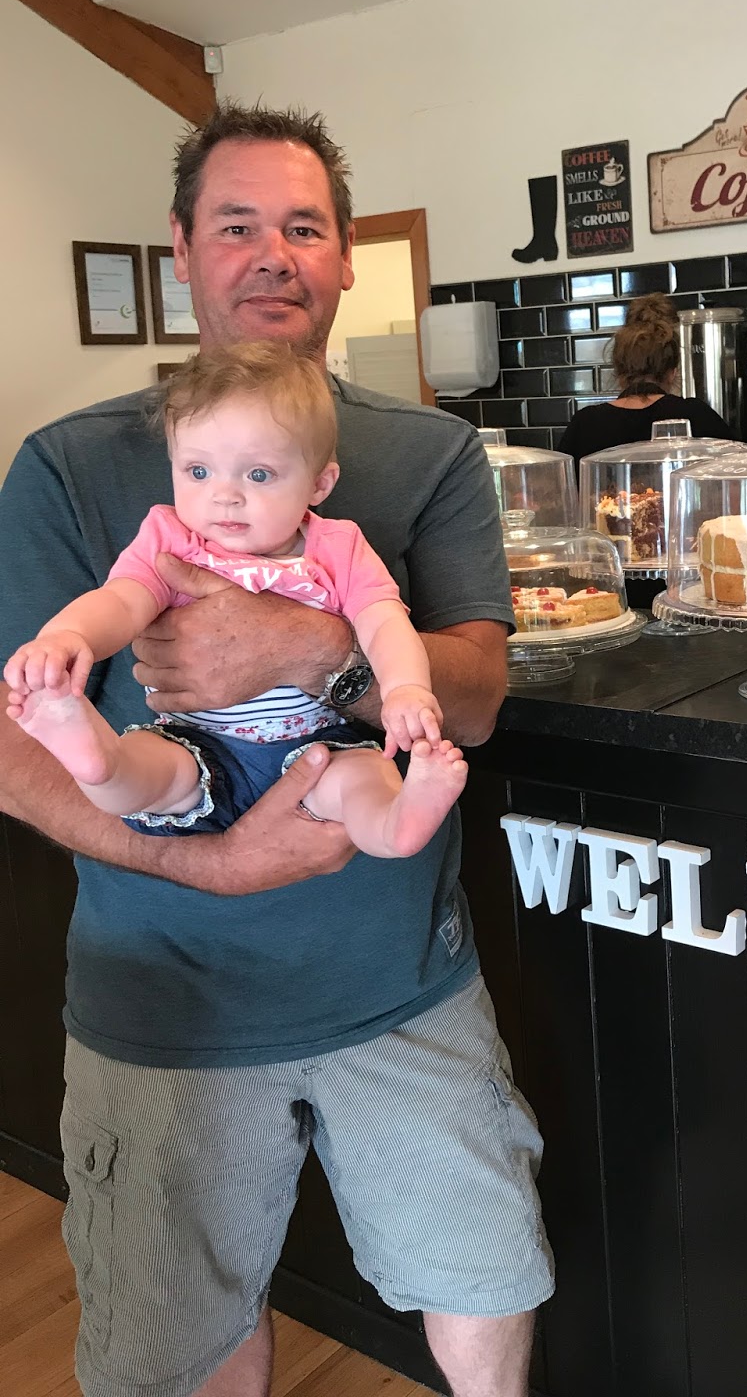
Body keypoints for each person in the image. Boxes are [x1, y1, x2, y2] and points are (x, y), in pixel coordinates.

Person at [0, 103, 553, 1397]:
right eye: (236, 224)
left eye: (303, 227)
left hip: (403, 985)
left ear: (345, 255)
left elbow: (476, 697)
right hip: (162, 1006)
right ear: (182, 249)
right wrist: (209, 864)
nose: (271, 254)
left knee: (484, 1273)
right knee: (180, 1340)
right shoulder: (72, 469)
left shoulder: (427, 455)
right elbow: (10, 737)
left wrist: (310, 653)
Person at [5, 342, 467, 859]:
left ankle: (396, 824)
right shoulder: (173, 540)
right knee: (146, 773)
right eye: (198, 472)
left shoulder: (337, 548)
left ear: (319, 483)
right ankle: (96, 761)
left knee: (364, 777)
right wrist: (69, 637)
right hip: (196, 742)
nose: (224, 494)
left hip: (318, 744)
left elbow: (383, 623)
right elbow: (121, 601)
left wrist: (405, 689)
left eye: (258, 474)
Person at [556, 290, 735, 470]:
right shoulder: (697, 415)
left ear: (618, 371)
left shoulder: (586, 424)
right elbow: (736, 474)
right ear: (672, 372)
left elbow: (558, 484)